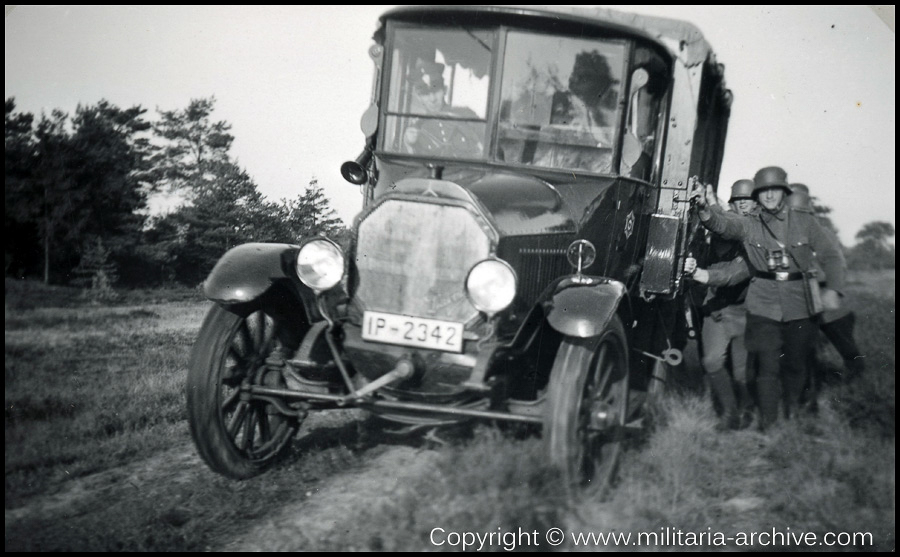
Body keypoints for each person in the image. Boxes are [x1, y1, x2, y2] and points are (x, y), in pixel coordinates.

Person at [690, 166, 846, 429]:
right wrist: (705, 209)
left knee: (794, 364)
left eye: (774, 190)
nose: (769, 196)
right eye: (763, 192)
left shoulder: (803, 221)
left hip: (795, 302)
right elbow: (724, 224)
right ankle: (769, 425)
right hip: (761, 303)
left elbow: (830, 256)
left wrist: (833, 289)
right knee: (765, 366)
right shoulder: (750, 224)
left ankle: (792, 412)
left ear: (784, 193)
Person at [684, 179, 756, 430]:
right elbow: (721, 221)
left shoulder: (756, 234)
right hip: (717, 311)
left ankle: (747, 406)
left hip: (745, 313)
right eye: (738, 200)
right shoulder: (724, 225)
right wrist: (706, 204)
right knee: (712, 362)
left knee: (741, 372)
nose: (743, 204)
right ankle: (730, 413)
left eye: (748, 199)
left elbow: (732, 274)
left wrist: (701, 275)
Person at [788, 183, 865, 383]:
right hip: (803, 302)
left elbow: (836, 265)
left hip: (829, 304)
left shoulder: (821, 233)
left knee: (847, 349)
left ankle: (856, 384)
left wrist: (821, 281)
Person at [403, 62, 483, 158]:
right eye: (425, 94)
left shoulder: (467, 115)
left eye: (436, 91)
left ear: (445, 90)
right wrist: (408, 145)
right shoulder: (416, 127)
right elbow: (407, 166)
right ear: (419, 97)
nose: (432, 99)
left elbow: (485, 148)